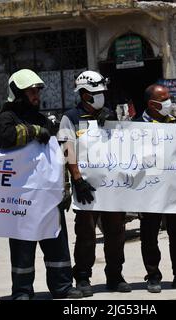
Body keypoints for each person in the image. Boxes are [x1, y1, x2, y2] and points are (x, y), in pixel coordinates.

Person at [0, 69, 82, 300]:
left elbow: (57, 155)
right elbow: (5, 137)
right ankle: (22, 291)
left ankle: (62, 287)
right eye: (32, 91)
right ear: (17, 93)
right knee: (22, 247)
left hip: (48, 196)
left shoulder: (42, 118)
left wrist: (65, 188)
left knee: (56, 243)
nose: (36, 95)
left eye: (37, 91)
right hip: (21, 197)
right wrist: (32, 131)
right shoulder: (5, 117)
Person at [57, 70, 131, 297]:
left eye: (102, 92)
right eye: (96, 93)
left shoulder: (109, 116)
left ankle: (115, 275)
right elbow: (67, 149)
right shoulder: (70, 118)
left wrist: (110, 121)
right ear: (84, 94)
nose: (101, 96)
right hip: (86, 188)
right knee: (86, 234)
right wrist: (77, 180)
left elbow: (125, 144)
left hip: (112, 187)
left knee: (116, 232)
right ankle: (82, 276)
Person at [134, 84, 176, 293]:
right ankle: (153, 276)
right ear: (152, 104)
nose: (168, 103)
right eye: (164, 100)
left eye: (168, 98)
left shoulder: (173, 122)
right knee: (149, 234)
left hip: (173, 188)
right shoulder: (135, 126)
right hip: (149, 188)